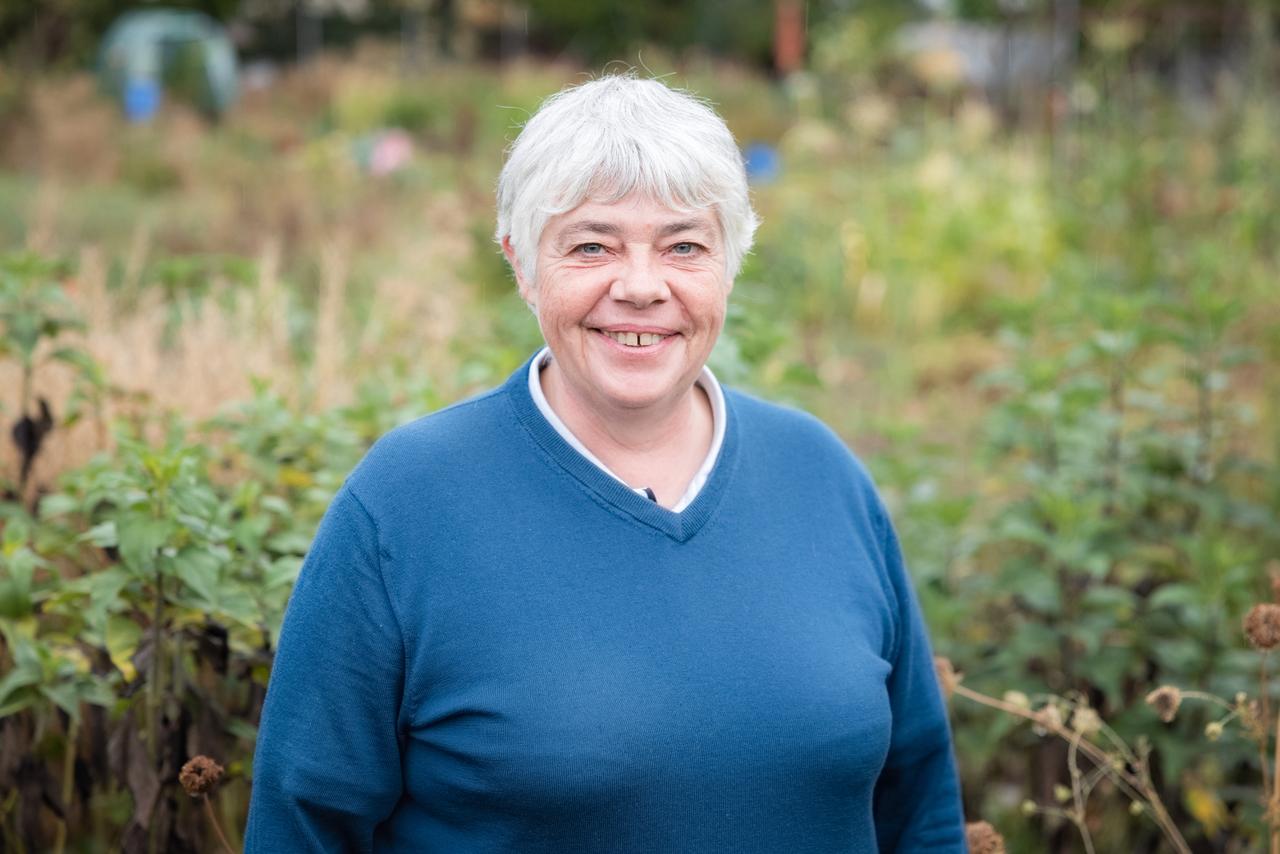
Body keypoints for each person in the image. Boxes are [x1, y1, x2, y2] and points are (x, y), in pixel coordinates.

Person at [246, 74, 966, 852]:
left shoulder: (822, 477)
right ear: (521, 263)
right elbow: (303, 825)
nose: (641, 287)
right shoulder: (406, 506)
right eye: (592, 245)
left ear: (732, 261)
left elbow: (920, 807)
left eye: (684, 246)